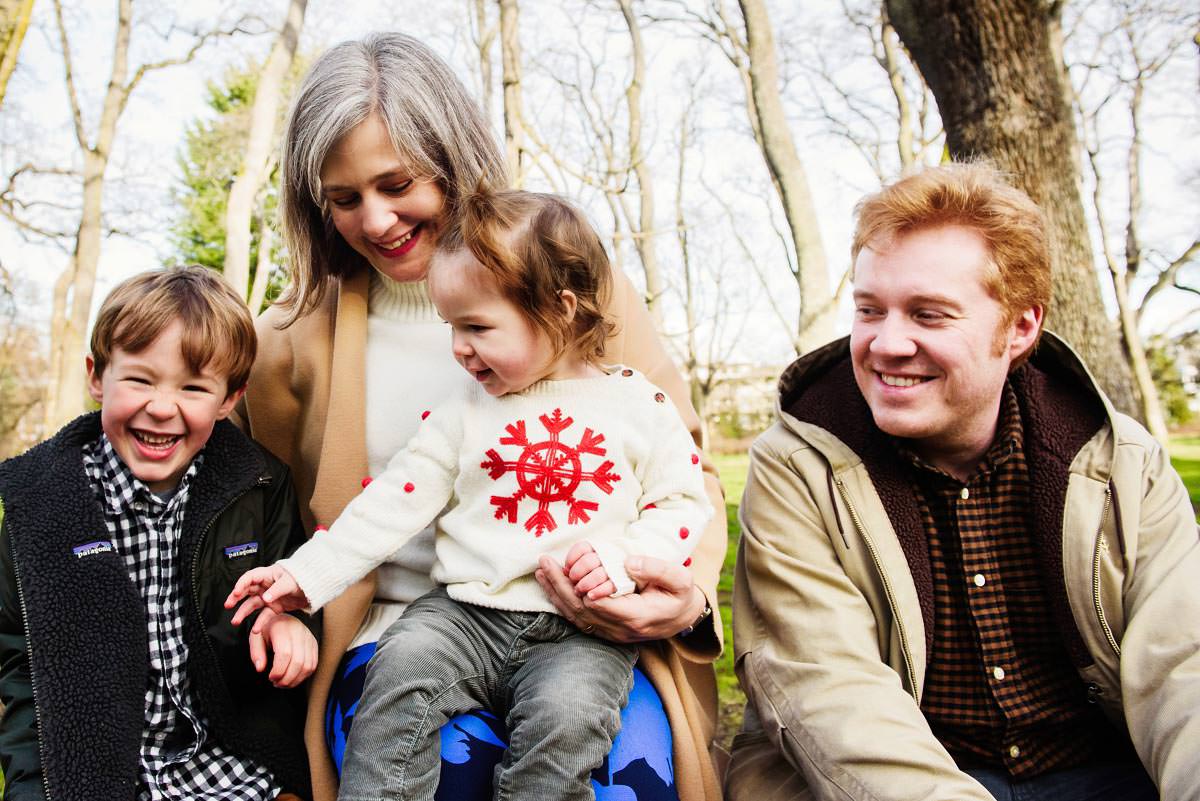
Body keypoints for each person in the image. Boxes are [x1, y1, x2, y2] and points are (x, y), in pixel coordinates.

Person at [237, 32, 727, 801]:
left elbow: (684, 481)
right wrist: (287, 592)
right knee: (446, 773)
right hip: (414, 627)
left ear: (453, 158)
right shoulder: (288, 341)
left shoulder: (583, 298)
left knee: (619, 775)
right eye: (344, 198)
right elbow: (259, 504)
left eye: (398, 183)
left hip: (591, 626)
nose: (377, 219)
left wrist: (672, 592)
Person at [727, 162, 1198, 801]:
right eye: (870, 310)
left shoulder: (1121, 464)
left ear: (1020, 328)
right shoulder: (798, 466)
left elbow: (1184, 669)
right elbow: (828, 692)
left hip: (1104, 769)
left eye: (929, 315)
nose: (887, 344)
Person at [0, 266, 318, 801]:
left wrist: (292, 619)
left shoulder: (258, 488)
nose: (162, 407)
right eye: (140, 380)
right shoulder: (42, 504)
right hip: (101, 772)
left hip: (229, 766)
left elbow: (297, 584)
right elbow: (24, 669)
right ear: (97, 377)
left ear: (228, 400)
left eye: (193, 388)